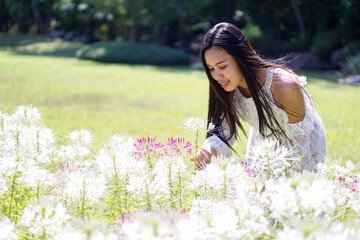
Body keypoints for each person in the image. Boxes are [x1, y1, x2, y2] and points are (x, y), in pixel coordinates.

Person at [195, 22, 326, 172]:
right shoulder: (226, 86)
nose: (217, 76)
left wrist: (270, 175)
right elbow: (223, 132)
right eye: (211, 69)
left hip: (302, 142)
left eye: (223, 66)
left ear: (241, 57)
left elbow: (299, 147)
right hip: (264, 134)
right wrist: (209, 149)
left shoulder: (285, 86)